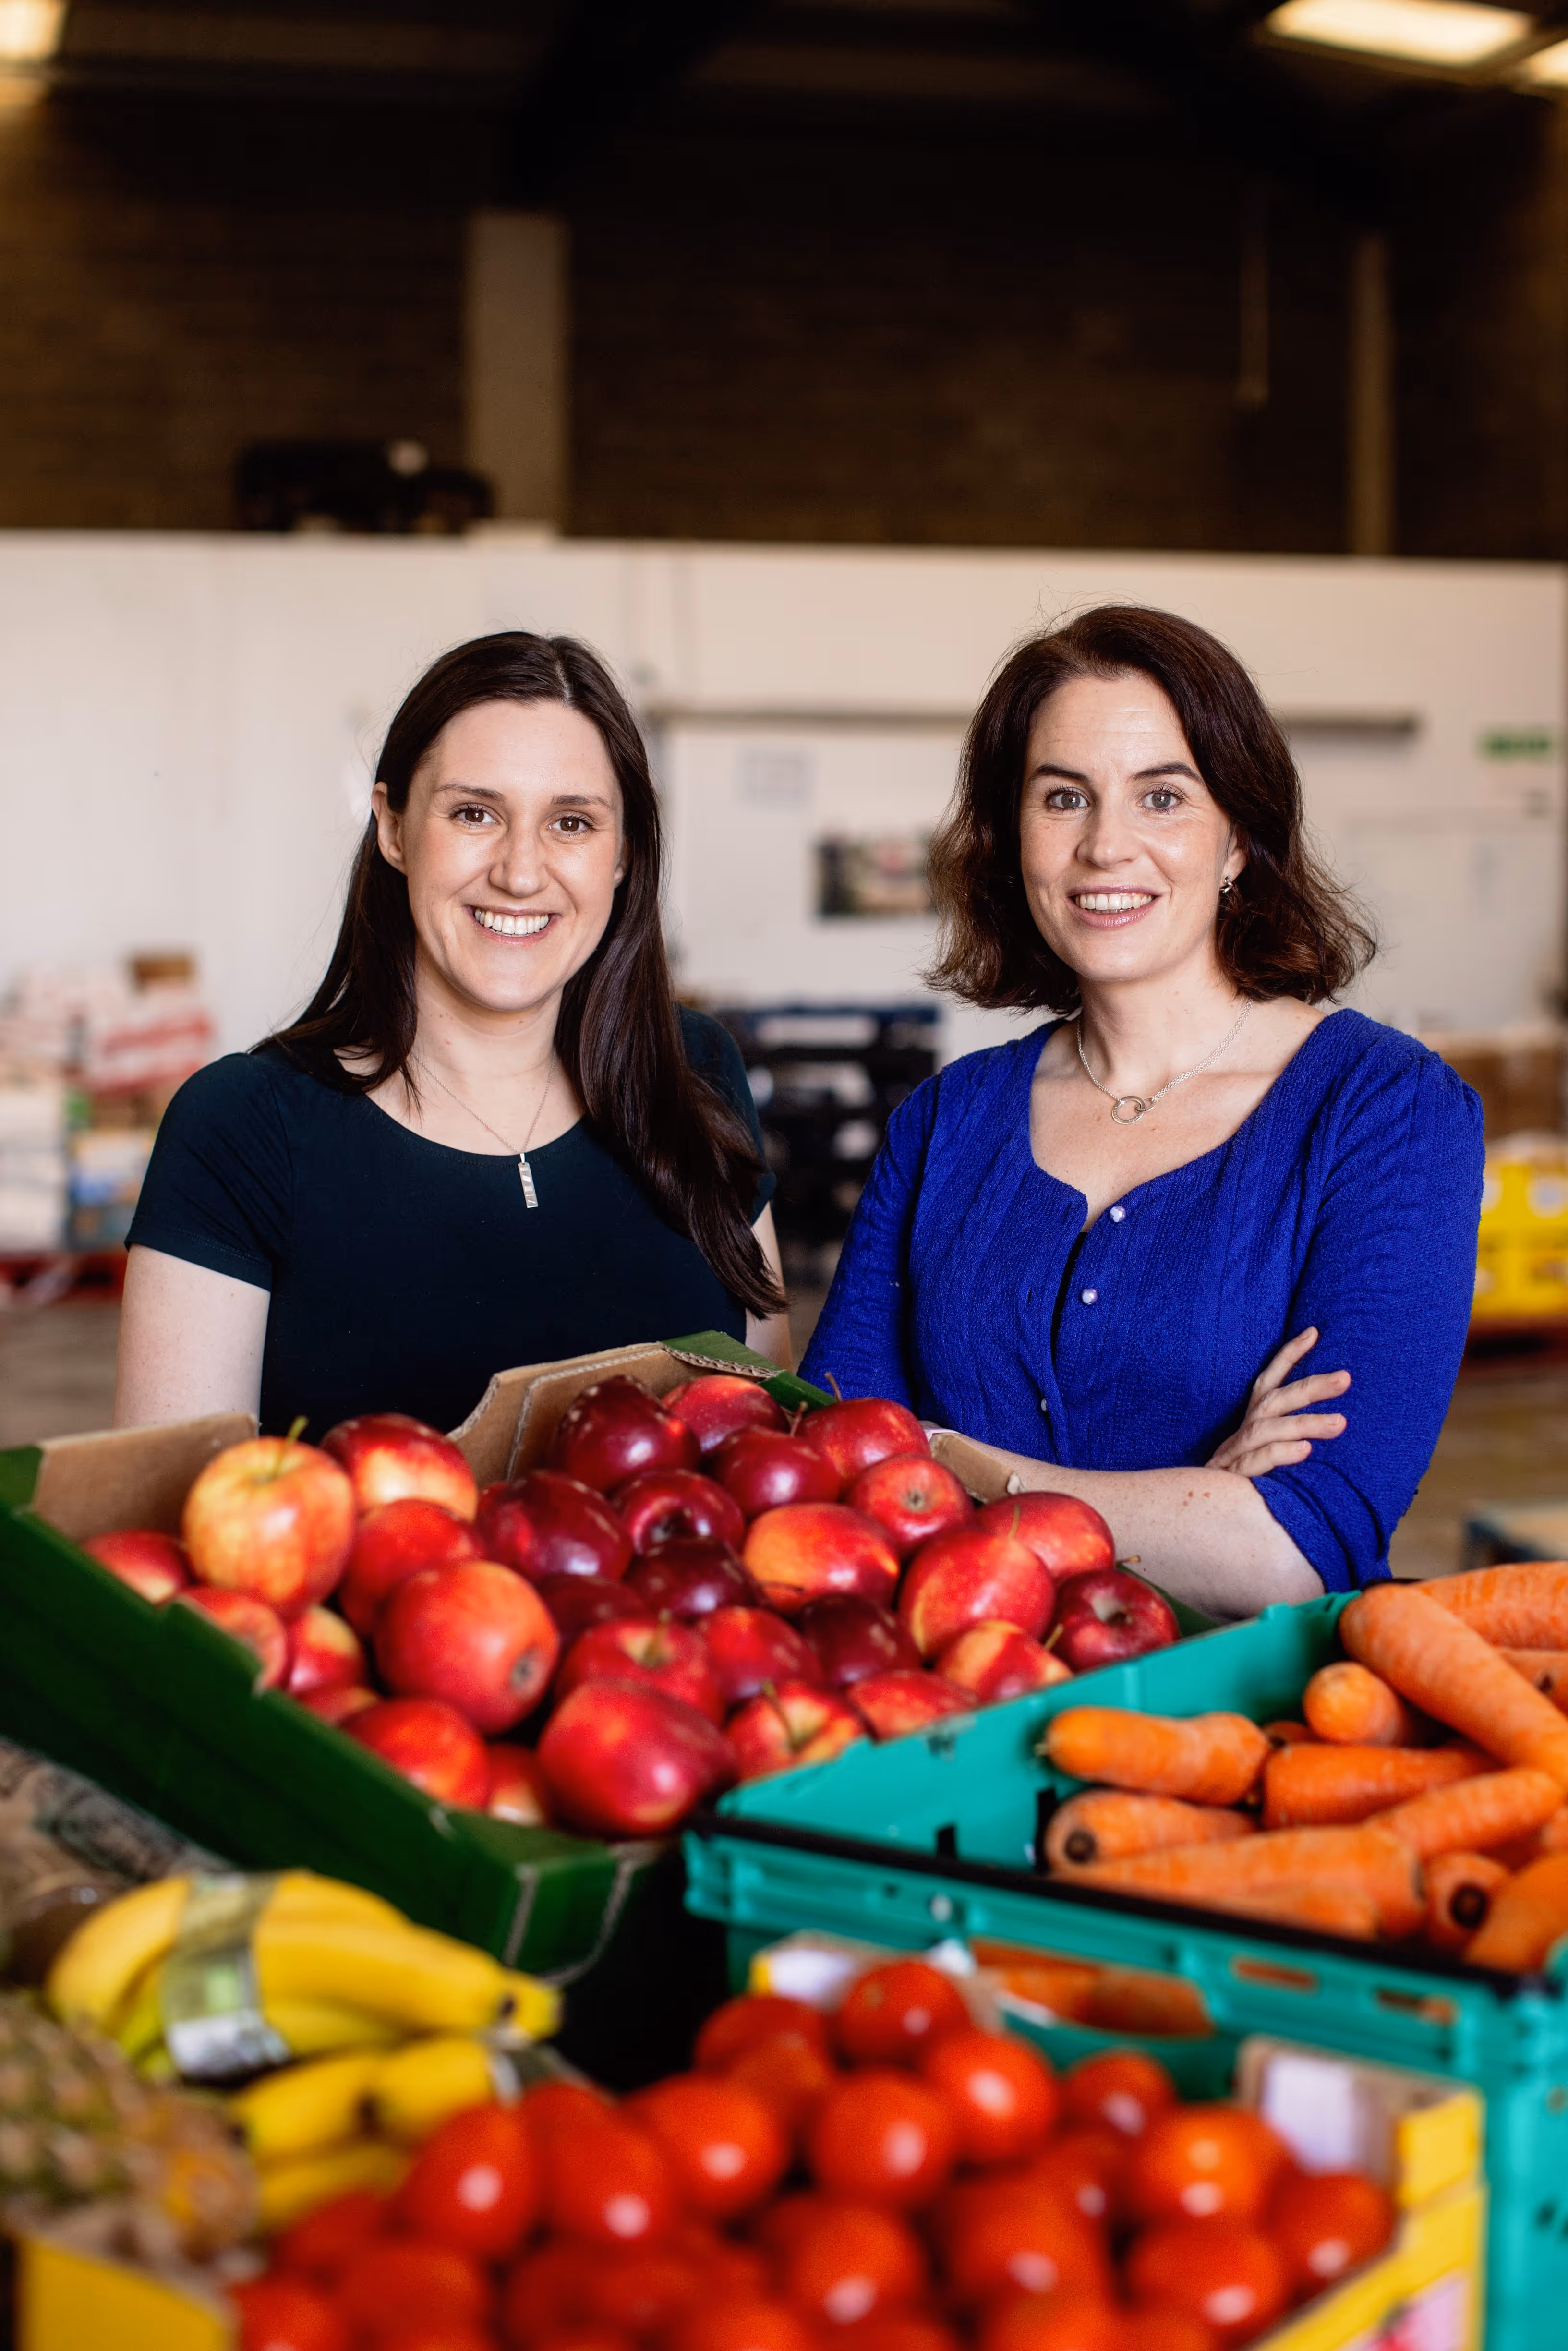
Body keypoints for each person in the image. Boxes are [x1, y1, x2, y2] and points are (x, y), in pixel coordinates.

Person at [800, 605, 1484, 1615]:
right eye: (1063, 798)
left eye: (1162, 797)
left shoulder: (1383, 1114)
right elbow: (824, 1471)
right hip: (941, 1715)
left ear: (1238, 839)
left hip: (1236, 1737)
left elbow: (1294, 1551)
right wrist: (1198, 1496)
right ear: (1009, 835)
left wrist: (937, 1465)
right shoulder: (946, 1122)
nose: (1105, 846)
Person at [116, 631, 790, 1437]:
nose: (520, 870)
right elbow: (173, 1512)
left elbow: (764, 1438)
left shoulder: (693, 1072)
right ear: (393, 828)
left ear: (623, 856)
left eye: (572, 823)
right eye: (475, 813)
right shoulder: (244, 1128)